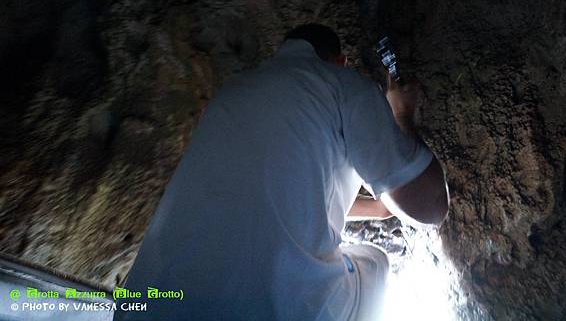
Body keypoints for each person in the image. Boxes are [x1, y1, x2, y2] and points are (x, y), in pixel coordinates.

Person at [113, 24, 449, 321]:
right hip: (265, 310)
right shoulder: (342, 83)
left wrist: (377, 208)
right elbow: (430, 208)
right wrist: (402, 114)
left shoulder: (231, 92)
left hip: (147, 304)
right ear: (340, 61)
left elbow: (282, 189)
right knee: (374, 262)